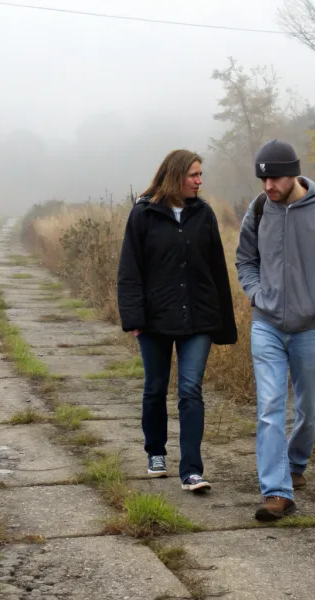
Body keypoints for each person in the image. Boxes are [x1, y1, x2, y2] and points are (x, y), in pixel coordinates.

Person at [235, 139, 315, 521]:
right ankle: (277, 492)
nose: (268, 186)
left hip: (313, 327)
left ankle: (296, 464)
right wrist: (257, 293)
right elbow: (245, 259)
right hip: (267, 326)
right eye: (263, 179)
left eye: (274, 178)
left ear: (293, 173)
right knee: (270, 407)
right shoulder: (258, 211)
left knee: (309, 407)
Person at [117, 149, 238, 493]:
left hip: (198, 318)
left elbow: (217, 270)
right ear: (175, 176)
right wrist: (133, 318)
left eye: (201, 175)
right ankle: (155, 451)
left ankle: (191, 471)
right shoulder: (143, 214)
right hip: (154, 320)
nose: (200, 182)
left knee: (190, 391)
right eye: (194, 175)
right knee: (155, 388)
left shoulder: (204, 214)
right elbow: (129, 271)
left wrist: (223, 325)